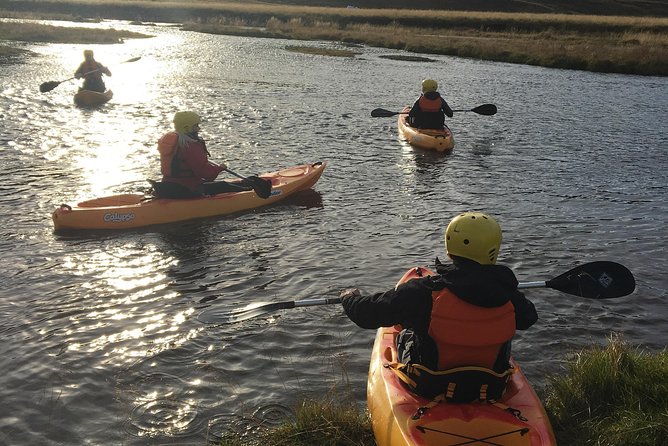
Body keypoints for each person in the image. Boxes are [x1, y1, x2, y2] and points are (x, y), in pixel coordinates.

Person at [339, 212, 538, 400]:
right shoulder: (508, 294)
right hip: (490, 388)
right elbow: (529, 318)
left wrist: (348, 298)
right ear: (494, 249)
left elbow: (366, 314)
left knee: (405, 331)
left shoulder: (425, 291)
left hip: (430, 386)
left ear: (449, 249)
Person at [152, 111, 252, 199]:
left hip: (168, 186)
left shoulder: (170, 142)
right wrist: (220, 168)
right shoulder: (189, 146)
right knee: (223, 186)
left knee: (222, 184)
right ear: (186, 128)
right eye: (196, 126)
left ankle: (246, 185)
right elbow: (207, 175)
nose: (199, 129)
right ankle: (251, 192)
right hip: (188, 189)